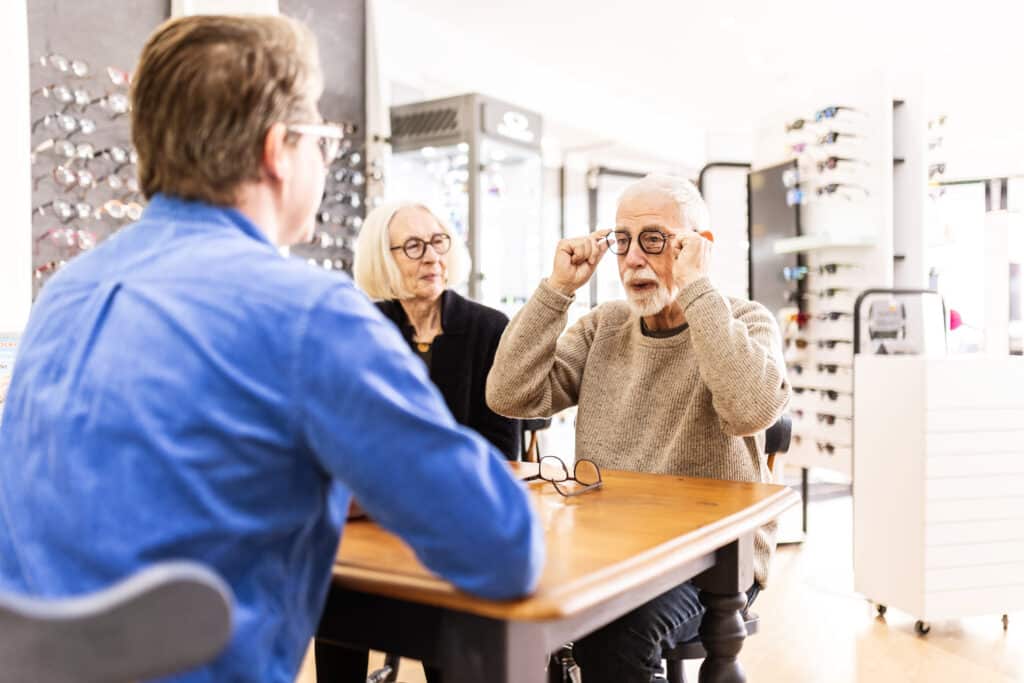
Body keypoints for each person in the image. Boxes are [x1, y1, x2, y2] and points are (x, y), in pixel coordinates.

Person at [0, 15, 543, 683]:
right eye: (322, 140)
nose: (326, 159)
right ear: (277, 149)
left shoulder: (65, 294)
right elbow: (503, 546)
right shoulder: (310, 313)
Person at [486, 174, 790, 683]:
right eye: (622, 241)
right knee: (507, 596)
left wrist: (696, 288)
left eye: (653, 240)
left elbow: (750, 410)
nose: (631, 259)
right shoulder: (602, 326)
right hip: (610, 546)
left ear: (698, 247)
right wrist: (557, 290)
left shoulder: (747, 320)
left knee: (615, 632)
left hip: (713, 559)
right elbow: (510, 394)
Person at [353, 201, 519, 459]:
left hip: (466, 479)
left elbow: (502, 448)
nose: (432, 257)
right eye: (413, 246)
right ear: (383, 259)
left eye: (437, 241)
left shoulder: (490, 328)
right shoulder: (368, 327)